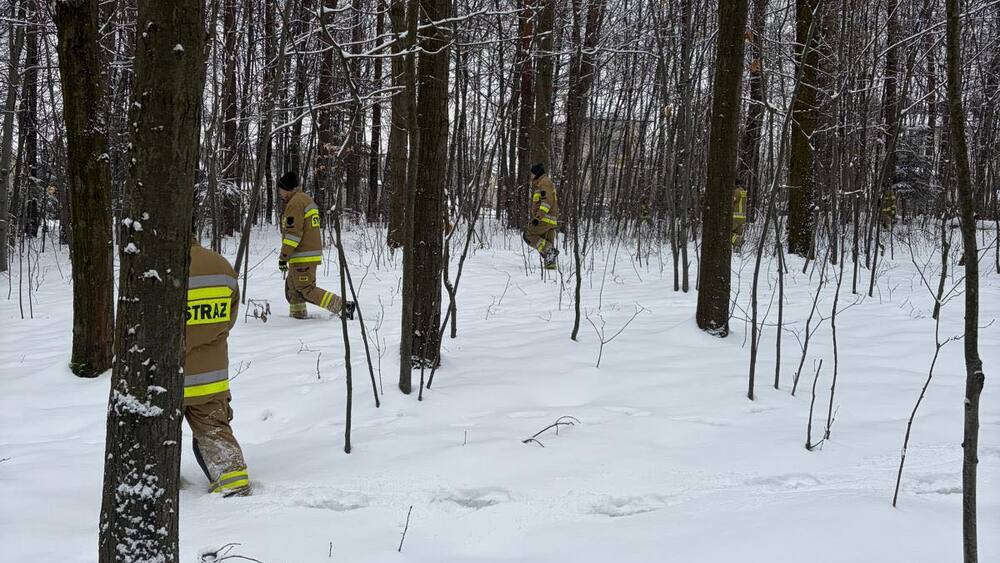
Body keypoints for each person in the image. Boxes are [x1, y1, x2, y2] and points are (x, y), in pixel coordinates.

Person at [185, 235, 250, 496]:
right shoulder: (222, 267)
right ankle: (235, 485)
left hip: (163, 377)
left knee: (150, 441)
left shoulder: (155, 265)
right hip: (210, 378)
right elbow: (228, 321)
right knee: (214, 432)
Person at [276, 172, 355, 320]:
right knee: (294, 288)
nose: (280, 193)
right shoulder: (305, 199)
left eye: (281, 190)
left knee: (306, 289)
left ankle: (343, 306)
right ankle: (297, 316)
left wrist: (283, 257)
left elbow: (293, 234)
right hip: (304, 254)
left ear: (288, 188)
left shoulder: (295, 203)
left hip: (302, 255)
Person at [522, 163, 559, 270]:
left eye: (532, 174)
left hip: (544, 219)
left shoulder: (544, 183)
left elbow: (547, 202)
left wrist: (538, 217)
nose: (531, 176)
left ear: (537, 173)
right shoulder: (543, 183)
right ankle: (551, 269)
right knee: (547, 241)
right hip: (550, 220)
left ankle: (549, 250)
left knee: (528, 235)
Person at [731, 179, 748, 249]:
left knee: (727, 232)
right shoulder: (744, 192)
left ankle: (738, 241)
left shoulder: (737, 191)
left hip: (736, 216)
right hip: (742, 217)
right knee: (737, 233)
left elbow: (732, 200)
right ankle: (737, 247)